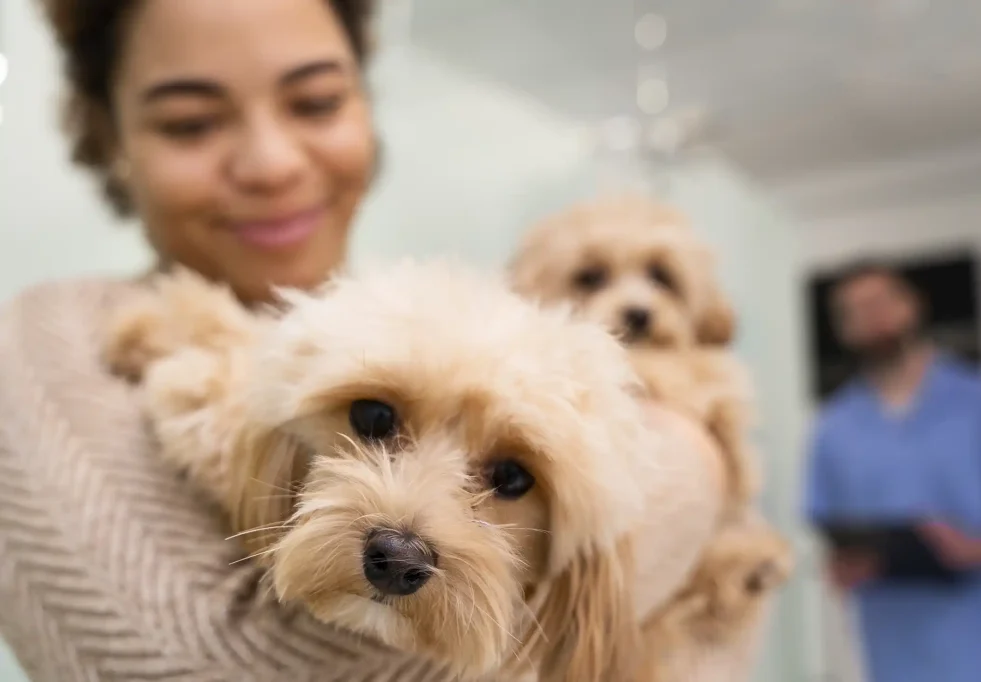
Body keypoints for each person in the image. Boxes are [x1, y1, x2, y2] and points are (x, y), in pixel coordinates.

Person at [0, 1, 727, 680]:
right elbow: (195, 660)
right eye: (191, 122)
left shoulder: (435, 320)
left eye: (316, 102)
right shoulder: (41, 347)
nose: (273, 163)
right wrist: (693, 466)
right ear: (107, 133)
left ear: (366, 104)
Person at [803, 260, 981, 682]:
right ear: (842, 330)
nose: (872, 317)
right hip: (894, 653)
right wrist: (848, 565)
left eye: (881, 301)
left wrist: (972, 550)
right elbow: (831, 531)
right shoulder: (834, 429)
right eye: (855, 310)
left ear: (912, 305)